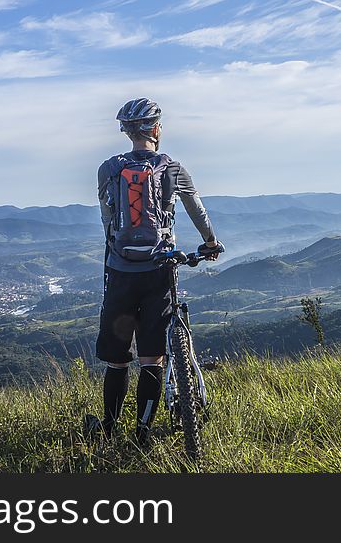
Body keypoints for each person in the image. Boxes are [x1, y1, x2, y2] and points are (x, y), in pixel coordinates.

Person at [86, 97, 222, 445]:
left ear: (127, 132)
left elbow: (106, 220)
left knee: (117, 361)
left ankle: (109, 430)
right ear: (156, 129)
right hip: (159, 270)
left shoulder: (108, 169)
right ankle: (142, 434)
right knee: (152, 358)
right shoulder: (173, 168)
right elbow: (197, 211)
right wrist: (209, 242)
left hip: (119, 270)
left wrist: (116, 253)